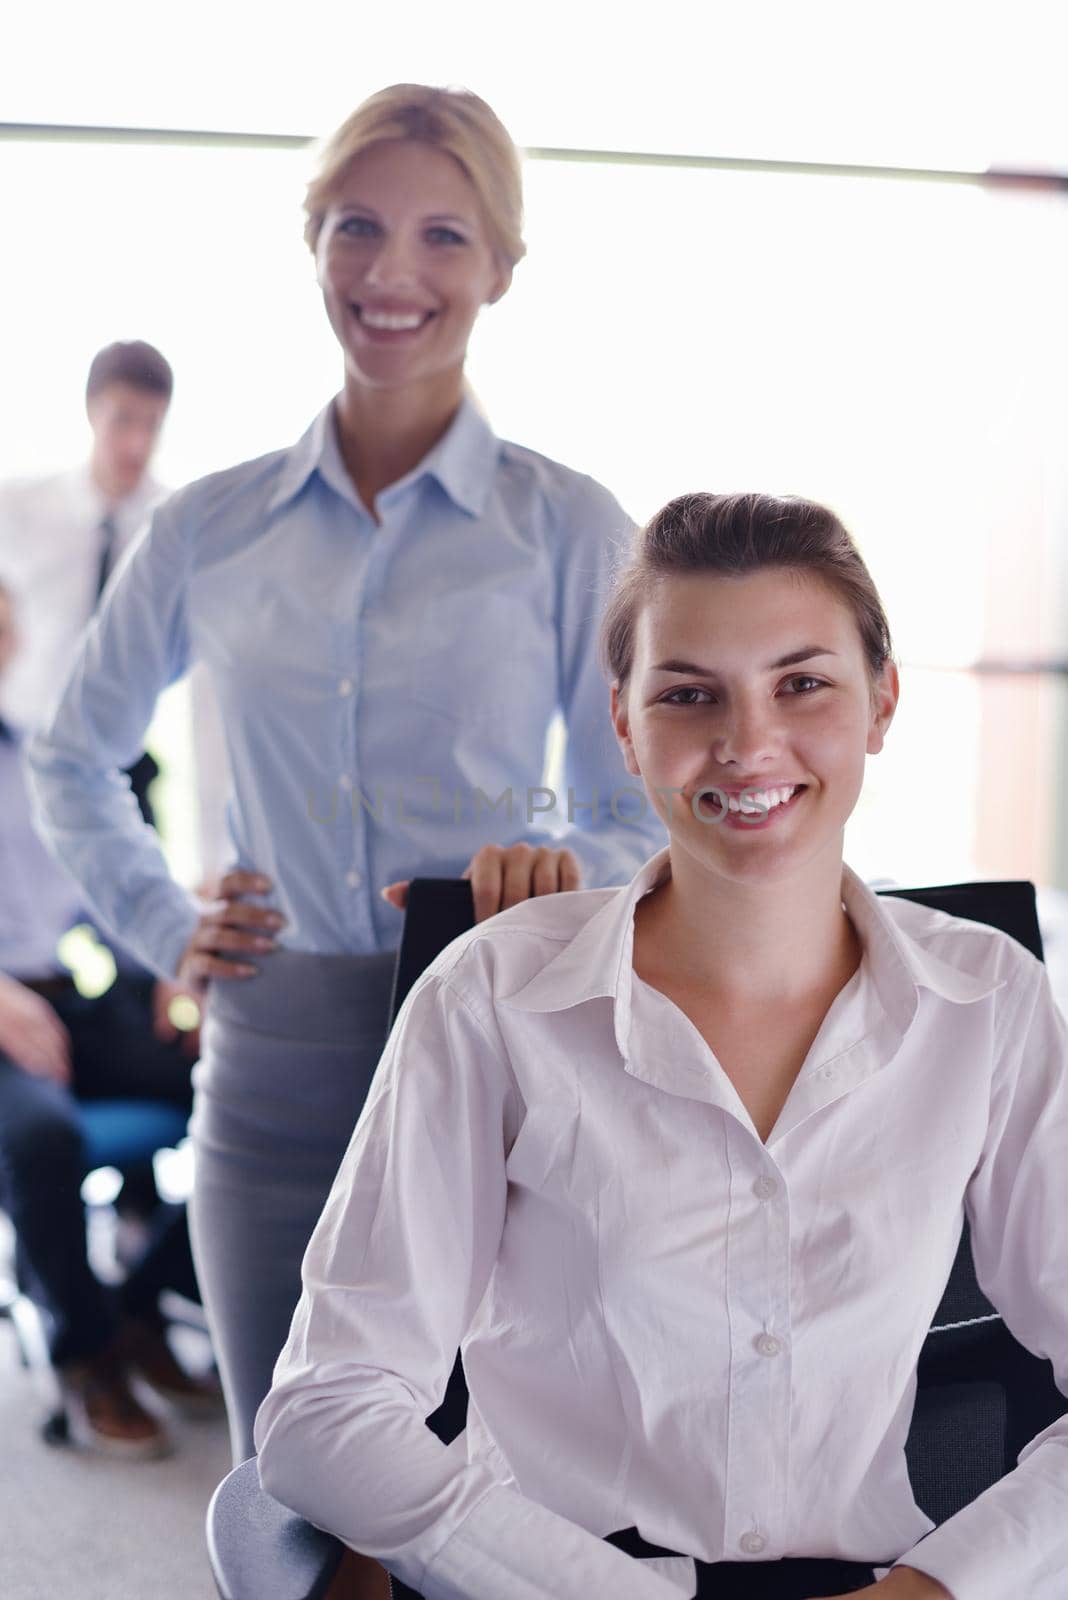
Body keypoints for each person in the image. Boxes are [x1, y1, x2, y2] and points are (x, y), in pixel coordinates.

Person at [255, 492, 1068, 1600]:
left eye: (803, 682)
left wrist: (941, 1587)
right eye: (689, 695)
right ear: (627, 728)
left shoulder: (990, 1004)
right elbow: (324, 1407)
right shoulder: (494, 997)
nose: (747, 743)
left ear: (881, 700)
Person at [26, 83, 666, 1468]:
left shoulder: (568, 527)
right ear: (312, 241)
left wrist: (562, 877)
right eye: (358, 228)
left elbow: (640, 797)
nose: (392, 274)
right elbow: (72, 753)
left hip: (500, 1057)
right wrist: (164, 927)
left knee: (476, 1495)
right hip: (269, 1069)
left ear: (501, 266)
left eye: (445, 237)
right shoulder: (210, 525)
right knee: (290, 1491)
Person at [0, 580, 218, 1457]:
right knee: (44, 1142)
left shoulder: (40, 761)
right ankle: (89, 1356)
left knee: (252, 1087)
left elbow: (102, 898)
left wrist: (175, 970)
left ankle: (139, 1302)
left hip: (62, 1000)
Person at [0, 340, 174, 823]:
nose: (137, 443)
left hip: (119, 768)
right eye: (123, 419)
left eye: (152, 423)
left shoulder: (173, 530)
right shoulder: (17, 511)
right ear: (91, 411)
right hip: (22, 757)